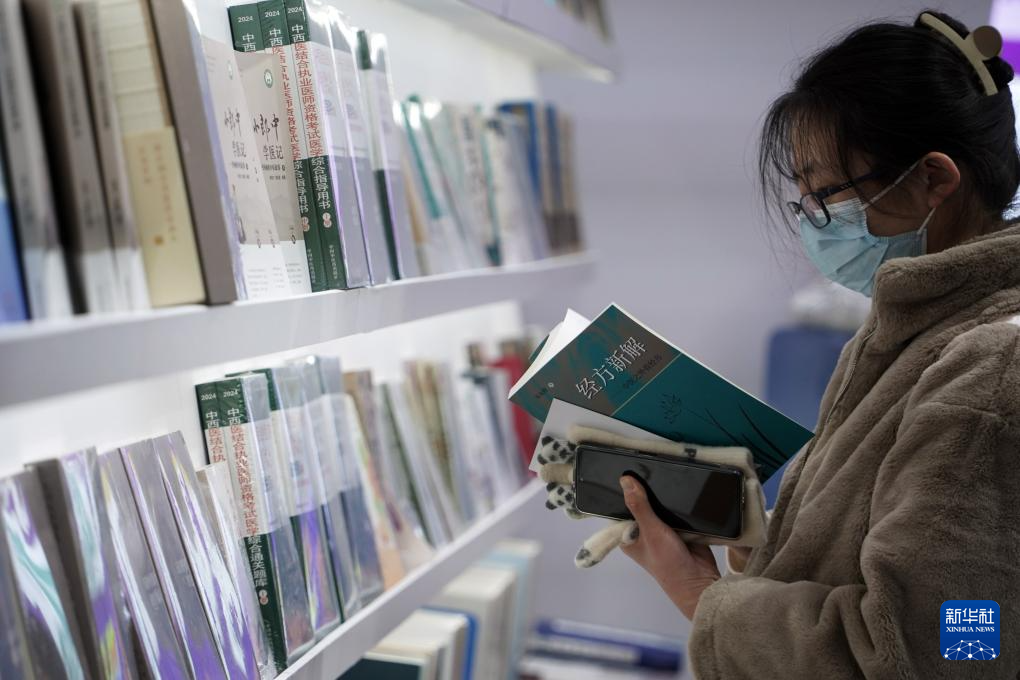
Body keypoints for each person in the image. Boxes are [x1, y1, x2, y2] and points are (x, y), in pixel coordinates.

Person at [618, 10, 1020, 679]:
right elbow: (874, 542)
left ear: (934, 179)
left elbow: (946, 651)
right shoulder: (906, 333)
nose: (815, 225)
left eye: (828, 194)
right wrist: (750, 534)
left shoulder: (991, 368)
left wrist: (700, 596)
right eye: (803, 200)